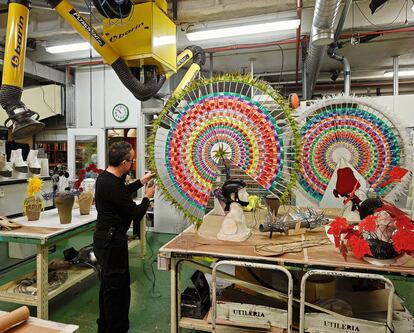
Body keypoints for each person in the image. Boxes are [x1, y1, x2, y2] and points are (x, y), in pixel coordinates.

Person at [93, 141, 156, 333]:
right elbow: (136, 214)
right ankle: (115, 328)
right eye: (131, 160)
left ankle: (104, 326)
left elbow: (121, 192)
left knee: (108, 286)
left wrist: (141, 181)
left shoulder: (105, 178)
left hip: (104, 240)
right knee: (117, 291)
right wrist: (147, 197)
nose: (132, 163)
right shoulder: (113, 185)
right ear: (123, 163)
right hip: (112, 244)